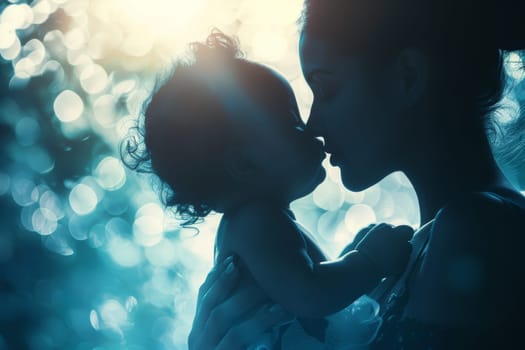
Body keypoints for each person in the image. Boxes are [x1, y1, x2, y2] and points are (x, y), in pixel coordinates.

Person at [188, 0, 525, 349]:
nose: (314, 124)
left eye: (327, 89)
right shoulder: (394, 257)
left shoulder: (477, 228)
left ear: (407, 77)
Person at [124, 31, 413, 347]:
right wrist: (367, 260)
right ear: (245, 166)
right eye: (294, 125)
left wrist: (347, 259)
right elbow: (310, 295)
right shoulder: (256, 223)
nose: (313, 132)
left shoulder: (256, 225)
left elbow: (310, 296)